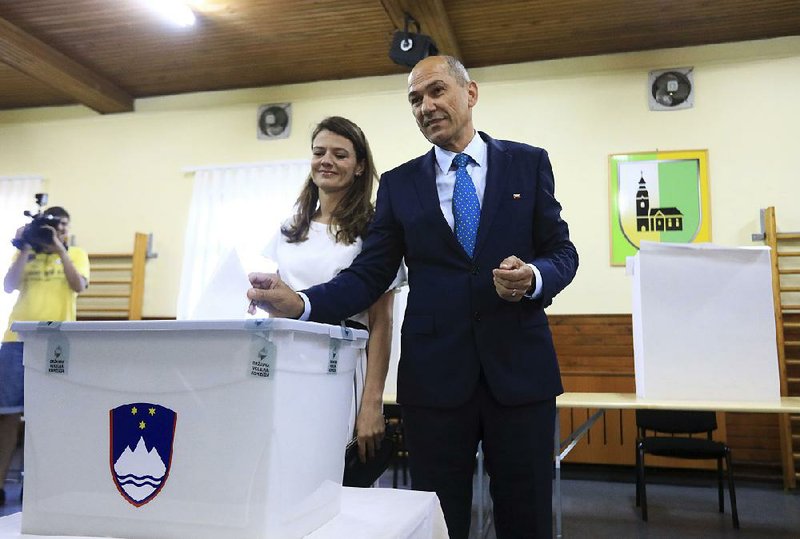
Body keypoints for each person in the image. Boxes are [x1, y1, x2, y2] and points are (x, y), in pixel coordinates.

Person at [248, 56, 578, 539]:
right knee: (437, 519)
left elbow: (562, 252)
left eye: (436, 92)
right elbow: (370, 275)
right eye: (415, 100)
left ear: (471, 93)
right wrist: (302, 304)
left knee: (526, 516)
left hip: (520, 371)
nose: (426, 106)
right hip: (435, 380)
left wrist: (533, 277)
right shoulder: (401, 185)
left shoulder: (527, 163)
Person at [251, 116, 403, 465]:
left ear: (360, 166)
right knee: (283, 466)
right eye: (319, 152)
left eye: (340, 154)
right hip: (284, 363)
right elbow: (267, 295)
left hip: (342, 366)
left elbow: (382, 323)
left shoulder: (375, 230)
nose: (327, 161)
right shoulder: (290, 228)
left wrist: (372, 403)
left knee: (330, 472)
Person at [0, 206, 89, 504]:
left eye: (63, 226)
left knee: (47, 415)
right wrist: (26, 246)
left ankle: (37, 486)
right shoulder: (26, 253)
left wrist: (60, 249)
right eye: (52, 226)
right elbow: (8, 286)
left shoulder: (75, 253)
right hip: (15, 340)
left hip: (55, 341)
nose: (58, 230)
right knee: (7, 417)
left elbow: (78, 285)